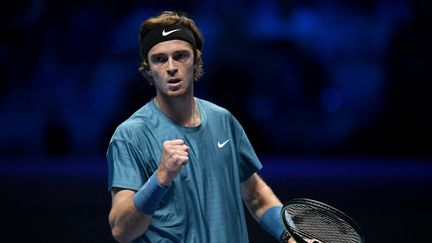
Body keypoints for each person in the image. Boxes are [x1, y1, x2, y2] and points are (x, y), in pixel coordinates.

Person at [107, 11, 293, 243]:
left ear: (195, 60)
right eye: (160, 59)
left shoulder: (223, 120)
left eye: (180, 56)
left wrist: (289, 235)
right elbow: (121, 231)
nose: (171, 67)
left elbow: (256, 195)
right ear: (148, 69)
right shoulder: (129, 135)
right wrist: (160, 177)